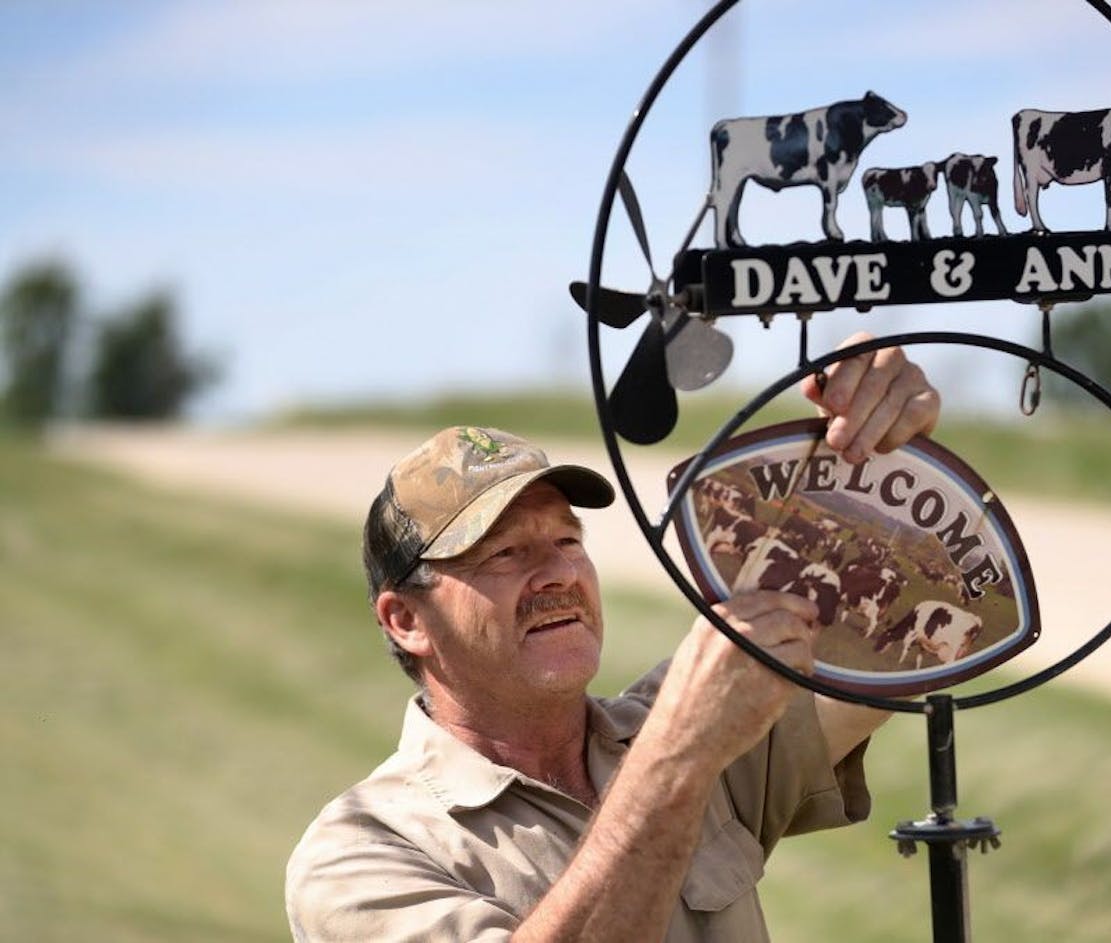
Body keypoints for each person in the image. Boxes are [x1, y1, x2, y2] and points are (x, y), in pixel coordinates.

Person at [285, 334, 941, 941]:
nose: (560, 574)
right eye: (506, 552)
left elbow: (912, 623)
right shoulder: (358, 854)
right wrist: (679, 755)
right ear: (407, 619)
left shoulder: (685, 722)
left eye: (569, 540)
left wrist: (881, 442)